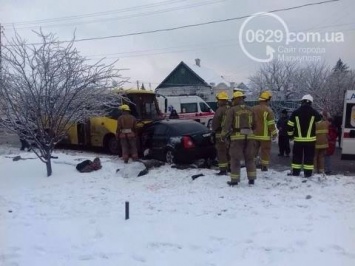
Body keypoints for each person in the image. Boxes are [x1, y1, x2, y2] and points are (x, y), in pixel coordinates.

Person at [222, 91, 256, 186]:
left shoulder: (232, 110)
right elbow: (255, 124)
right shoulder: (251, 109)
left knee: (235, 159)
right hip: (249, 136)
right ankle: (252, 179)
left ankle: (234, 180)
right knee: (250, 158)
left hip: (237, 137)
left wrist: (223, 135)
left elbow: (227, 124)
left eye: (233, 99)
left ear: (236, 99)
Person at [287, 94, 322, 177]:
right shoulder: (314, 112)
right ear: (311, 102)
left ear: (302, 102)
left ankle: (296, 172)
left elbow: (289, 126)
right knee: (309, 157)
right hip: (310, 140)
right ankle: (308, 173)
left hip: (298, 140)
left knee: (297, 157)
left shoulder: (295, 112)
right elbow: (319, 121)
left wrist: (291, 136)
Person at [252, 90, 277, 171]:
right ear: (267, 100)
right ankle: (264, 166)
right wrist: (274, 134)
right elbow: (271, 124)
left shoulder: (253, 109)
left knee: (254, 150)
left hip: (254, 135)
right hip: (265, 136)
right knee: (265, 151)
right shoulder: (268, 110)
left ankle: (252, 164)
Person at [211, 91, 230, 175]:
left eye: (218, 100)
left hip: (221, 135)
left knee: (221, 152)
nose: (217, 102)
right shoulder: (231, 109)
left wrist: (213, 132)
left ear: (221, 100)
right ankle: (230, 167)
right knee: (229, 152)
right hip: (231, 134)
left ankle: (223, 169)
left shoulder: (220, 110)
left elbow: (215, 123)